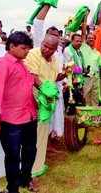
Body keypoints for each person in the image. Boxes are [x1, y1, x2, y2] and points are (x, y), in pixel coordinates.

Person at [0, 31, 38, 193]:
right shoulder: (2, 64)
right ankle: (12, 188)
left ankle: (26, 178)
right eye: (24, 48)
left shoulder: (21, 64)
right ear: (11, 46)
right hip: (11, 121)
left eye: (28, 49)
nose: (27, 52)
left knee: (30, 151)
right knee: (12, 156)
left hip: (29, 116)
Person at [24, 32, 66, 181]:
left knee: (43, 132)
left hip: (47, 99)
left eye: (50, 48)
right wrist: (44, 90)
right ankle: (32, 168)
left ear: (56, 50)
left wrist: (64, 74)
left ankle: (39, 165)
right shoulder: (33, 54)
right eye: (44, 45)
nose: (45, 50)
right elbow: (33, 77)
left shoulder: (54, 59)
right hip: (34, 96)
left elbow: (54, 78)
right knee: (33, 134)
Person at [80, 33, 101, 106]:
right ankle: (86, 115)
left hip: (96, 77)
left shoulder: (98, 53)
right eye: (89, 38)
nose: (91, 39)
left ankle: (94, 114)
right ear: (86, 39)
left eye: (92, 38)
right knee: (86, 97)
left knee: (95, 97)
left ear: (95, 40)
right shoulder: (82, 49)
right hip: (86, 77)